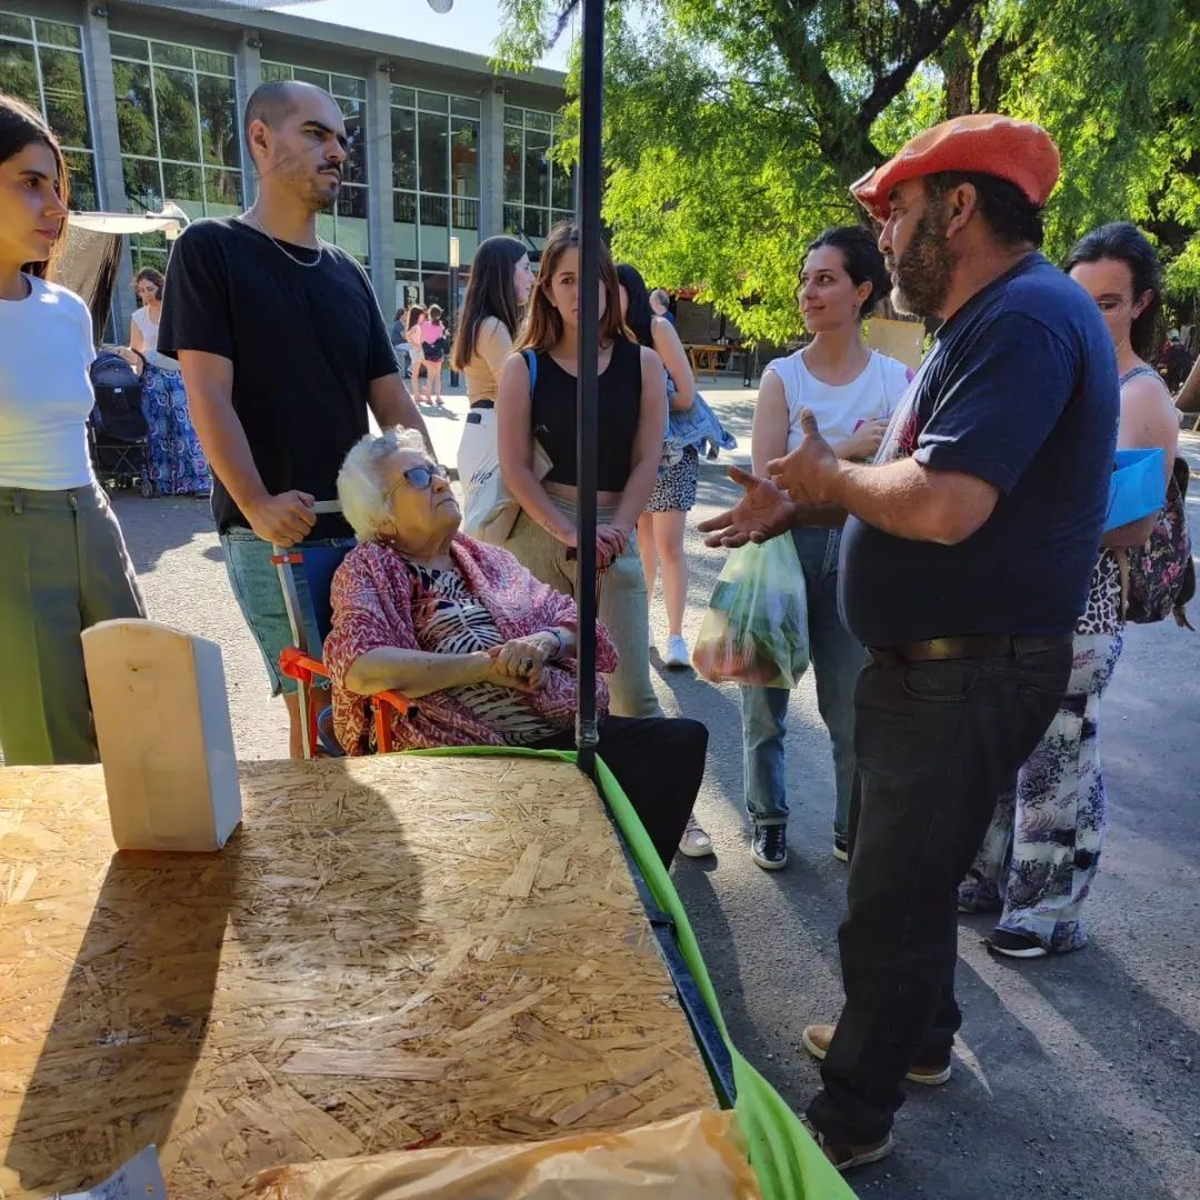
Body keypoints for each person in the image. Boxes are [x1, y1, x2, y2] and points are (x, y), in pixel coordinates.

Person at [699, 114, 1118, 1171]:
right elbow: (910, 491)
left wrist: (832, 482)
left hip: (963, 671)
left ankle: (849, 1119)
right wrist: (804, 506)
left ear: (959, 207)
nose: (882, 237)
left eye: (894, 213)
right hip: (941, 669)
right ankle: (918, 1041)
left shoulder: (1023, 319)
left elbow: (943, 506)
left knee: (887, 902)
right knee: (914, 880)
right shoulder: (986, 322)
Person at [159, 79, 430, 760]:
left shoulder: (348, 273)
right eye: (315, 133)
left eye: (341, 138)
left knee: (386, 706)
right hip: (278, 528)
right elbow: (207, 394)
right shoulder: (209, 249)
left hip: (369, 530)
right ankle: (317, 863)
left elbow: (392, 400)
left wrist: (430, 485)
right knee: (317, 716)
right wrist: (253, 500)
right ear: (260, 138)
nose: (336, 150)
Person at [322, 427, 707, 867]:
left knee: (679, 742)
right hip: (468, 747)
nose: (442, 482)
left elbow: (578, 624)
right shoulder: (368, 569)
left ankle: (631, 885)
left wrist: (545, 642)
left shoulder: (485, 557)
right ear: (382, 516)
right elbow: (361, 667)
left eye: (436, 471)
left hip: (550, 729)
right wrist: (482, 667)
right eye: (417, 478)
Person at [958, 222, 1180, 958]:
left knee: (1057, 757)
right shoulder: (1065, 372)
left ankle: (1048, 910)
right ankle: (991, 876)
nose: (1092, 315)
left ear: (1142, 304)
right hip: (1020, 598)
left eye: (1110, 302)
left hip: (1081, 609)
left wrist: (1026, 510)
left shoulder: (1141, 395)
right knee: (1002, 744)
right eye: (1081, 299)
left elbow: (1134, 523)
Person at [740, 227, 912, 870]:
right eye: (805, 279)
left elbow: (908, 474)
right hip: (779, 553)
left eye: (825, 278)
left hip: (859, 554)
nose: (807, 292)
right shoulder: (782, 376)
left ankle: (850, 825)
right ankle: (768, 818)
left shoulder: (897, 380)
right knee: (764, 705)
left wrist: (830, 467)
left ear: (863, 291)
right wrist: (846, 452)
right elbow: (765, 483)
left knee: (851, 711)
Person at [0, 93, 145, 765]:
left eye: (56, 187)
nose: (55, 207)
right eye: (31, 184)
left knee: (144, 702)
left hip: (92, 511)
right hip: (13, 526)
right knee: (51, 748)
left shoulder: (65, 309)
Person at [496, 222, 666, 724]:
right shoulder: (522, 368)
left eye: (590, 278)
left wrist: (616, 530)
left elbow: (645, 460)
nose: (579, 290)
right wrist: (569, 531)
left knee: (632, 698)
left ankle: (639, 801)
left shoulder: (644, 365)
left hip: (615, 532)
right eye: (565, 279)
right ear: (546, 289)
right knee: (534, 695)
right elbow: (515, 468)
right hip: (541, 530)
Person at [451, 236, 534, 515]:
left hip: (482, 431)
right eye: (525, 268)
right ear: (504, 272)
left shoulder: (483, 323)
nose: (531, 278)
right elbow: (515, 394)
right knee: (492, 533)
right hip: (492, 433)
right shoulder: (493, 327)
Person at [121, 268, 211, 496]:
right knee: (158, 431)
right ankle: (162, 482)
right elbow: (137, 351)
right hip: (153, 377)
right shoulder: (138, 317)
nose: (146, 294)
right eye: (141, 290)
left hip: (179, 374)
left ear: (160, 286)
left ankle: (197, 481)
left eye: (150, 289)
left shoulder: (176, 311)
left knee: (186, 427)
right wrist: (130, 362)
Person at [418, 304, 447, 407]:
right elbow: (440, 338)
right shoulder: (440, 326)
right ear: (439, 315)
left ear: (429, 314)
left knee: (430, 377)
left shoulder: (424, 325)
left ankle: (429, 397)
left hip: (428, 353)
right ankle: (438, 397)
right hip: (438, 354)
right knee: (437, 377)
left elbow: (421, 339)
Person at [405, 304, 428, 402]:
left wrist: (419, 341)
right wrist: (416, 344)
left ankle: (419, 392)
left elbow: (410, 337)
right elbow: (408, 337)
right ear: (417, 316)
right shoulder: (415, 327)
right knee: (416, 373)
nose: (423, 317)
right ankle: (418, 394)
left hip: (417, 350)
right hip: (416, 351)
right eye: (422, 315)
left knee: (417, 373)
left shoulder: (416, 327)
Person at [390, 306, 411, 378]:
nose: (407, 316)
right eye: (406, 315)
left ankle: (411, 369)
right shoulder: (398, 323)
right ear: (401, 316)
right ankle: (410, 369)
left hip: (402, 343)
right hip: (398, 344)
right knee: (415, 348)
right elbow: (404, 336)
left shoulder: (401, 323)